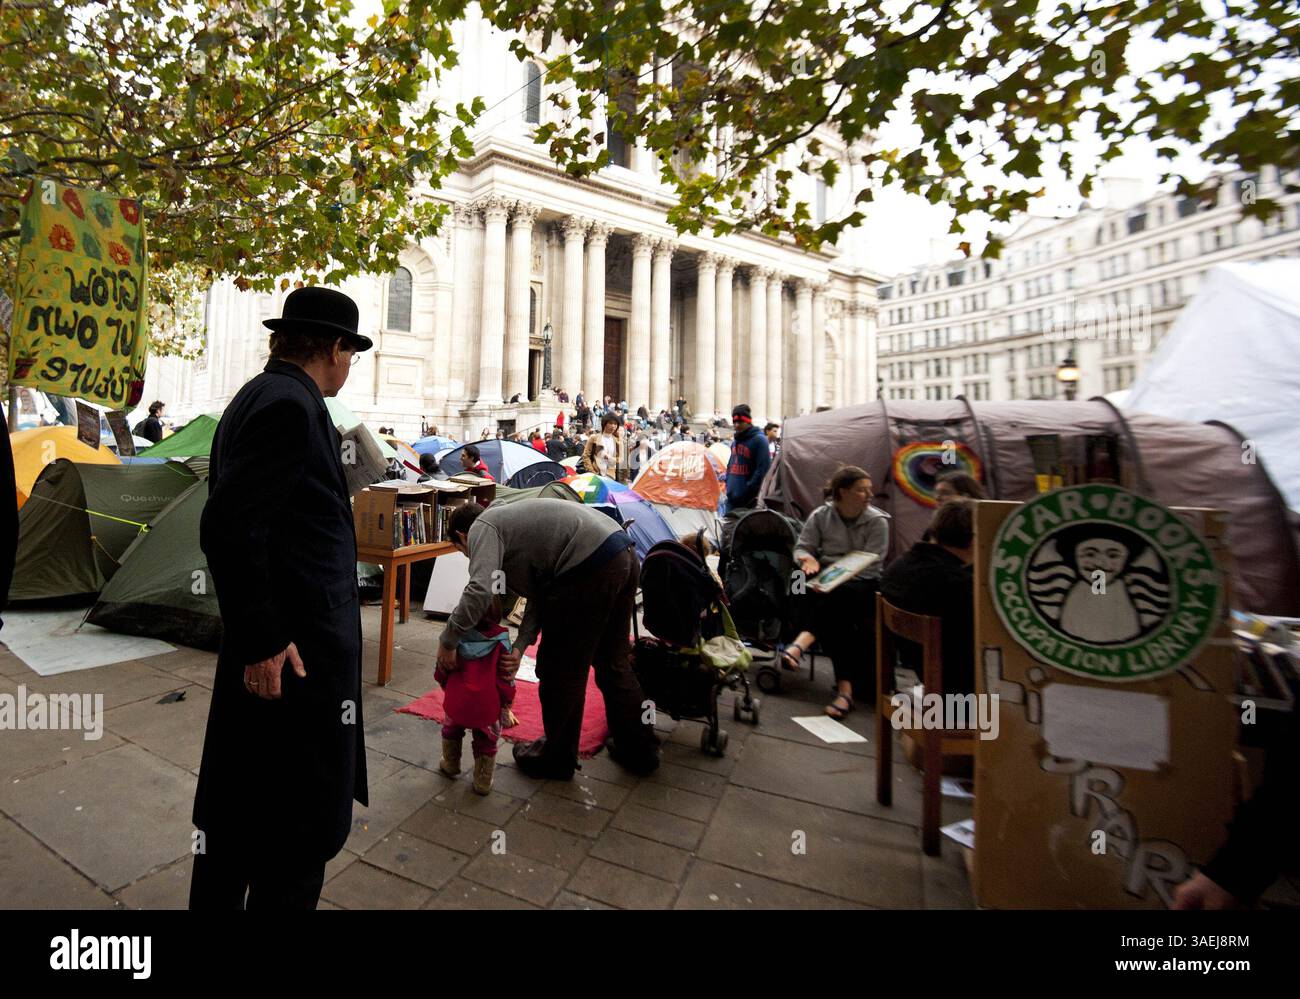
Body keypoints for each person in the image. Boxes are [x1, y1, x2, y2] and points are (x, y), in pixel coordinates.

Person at [190, 286, 371, 909]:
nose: (351, 365)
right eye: (352, 352)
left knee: (239, 826)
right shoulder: (288, 406)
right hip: (294, 663)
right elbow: (228, 526)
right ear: (335, 347)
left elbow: (274, 519)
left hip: (285, 654)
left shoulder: (268, 394)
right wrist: (264, 639)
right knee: (290, 839)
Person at [439, 501, 660, 778]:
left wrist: (448, 640)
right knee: (612, 661)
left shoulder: (483, 526)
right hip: (621, 553)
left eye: (462, 551)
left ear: (462, 536)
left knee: (559, 669)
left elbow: (479, 589)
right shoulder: (513, 525)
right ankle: (640, 750)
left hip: (589, 567)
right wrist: (520, 646)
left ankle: (557, 757)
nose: (469, 556)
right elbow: (540, 594)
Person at [782, 466, 890, 719]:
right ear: (844, 492)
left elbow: (872, 563)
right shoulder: (821, 516)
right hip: (826, 579)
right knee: (800, 583)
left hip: (863, 581)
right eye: (862, 490)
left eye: (869, 490)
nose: (869, 495)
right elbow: (802, 547)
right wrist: (807, 559)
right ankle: (845, 692)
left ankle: (800, 643)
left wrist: (837, 576)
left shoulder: (877, 522)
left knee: (838, 596)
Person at [879, 499, 977, 698]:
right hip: (961, 700)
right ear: (975, 540)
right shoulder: (959, 585)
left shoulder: (898, 568)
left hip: (927, 682)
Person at [435, 596, 517, 796]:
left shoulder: (455, 637)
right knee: (487, 741)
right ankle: (483, 781)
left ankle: (451, 763)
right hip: (487, 705)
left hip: (457, 701)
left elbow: (442, 666)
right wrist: (506, 701)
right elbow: (505, 676)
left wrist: (445, 683)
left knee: (451, 730)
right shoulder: (501, 640)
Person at [722, 404, 771, 516]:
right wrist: (728, 483)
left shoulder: (759, 440)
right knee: (728, 531)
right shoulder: (735, 441)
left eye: (740, 422)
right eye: (735, 422)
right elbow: (731, 465)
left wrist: (748, 489)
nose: (737, 425)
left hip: (749, 503)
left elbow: (763, 470)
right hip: (731, 500)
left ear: (748, 421)